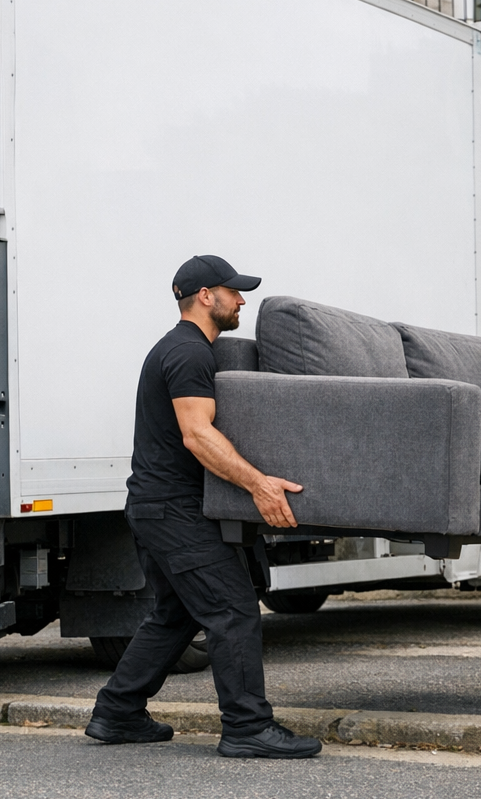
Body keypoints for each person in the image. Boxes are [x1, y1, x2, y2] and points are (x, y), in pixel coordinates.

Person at [86, 255, 322, 759]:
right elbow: (197, 435)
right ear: (206, 296)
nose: (242, 300)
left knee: (174, 615)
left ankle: (117, 712)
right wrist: (259, 484)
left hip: (157, 507)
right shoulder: (190, 353)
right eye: (233, 291)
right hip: (173, 510)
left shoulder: (184, 349)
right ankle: (246, 727)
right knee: (233, 609)